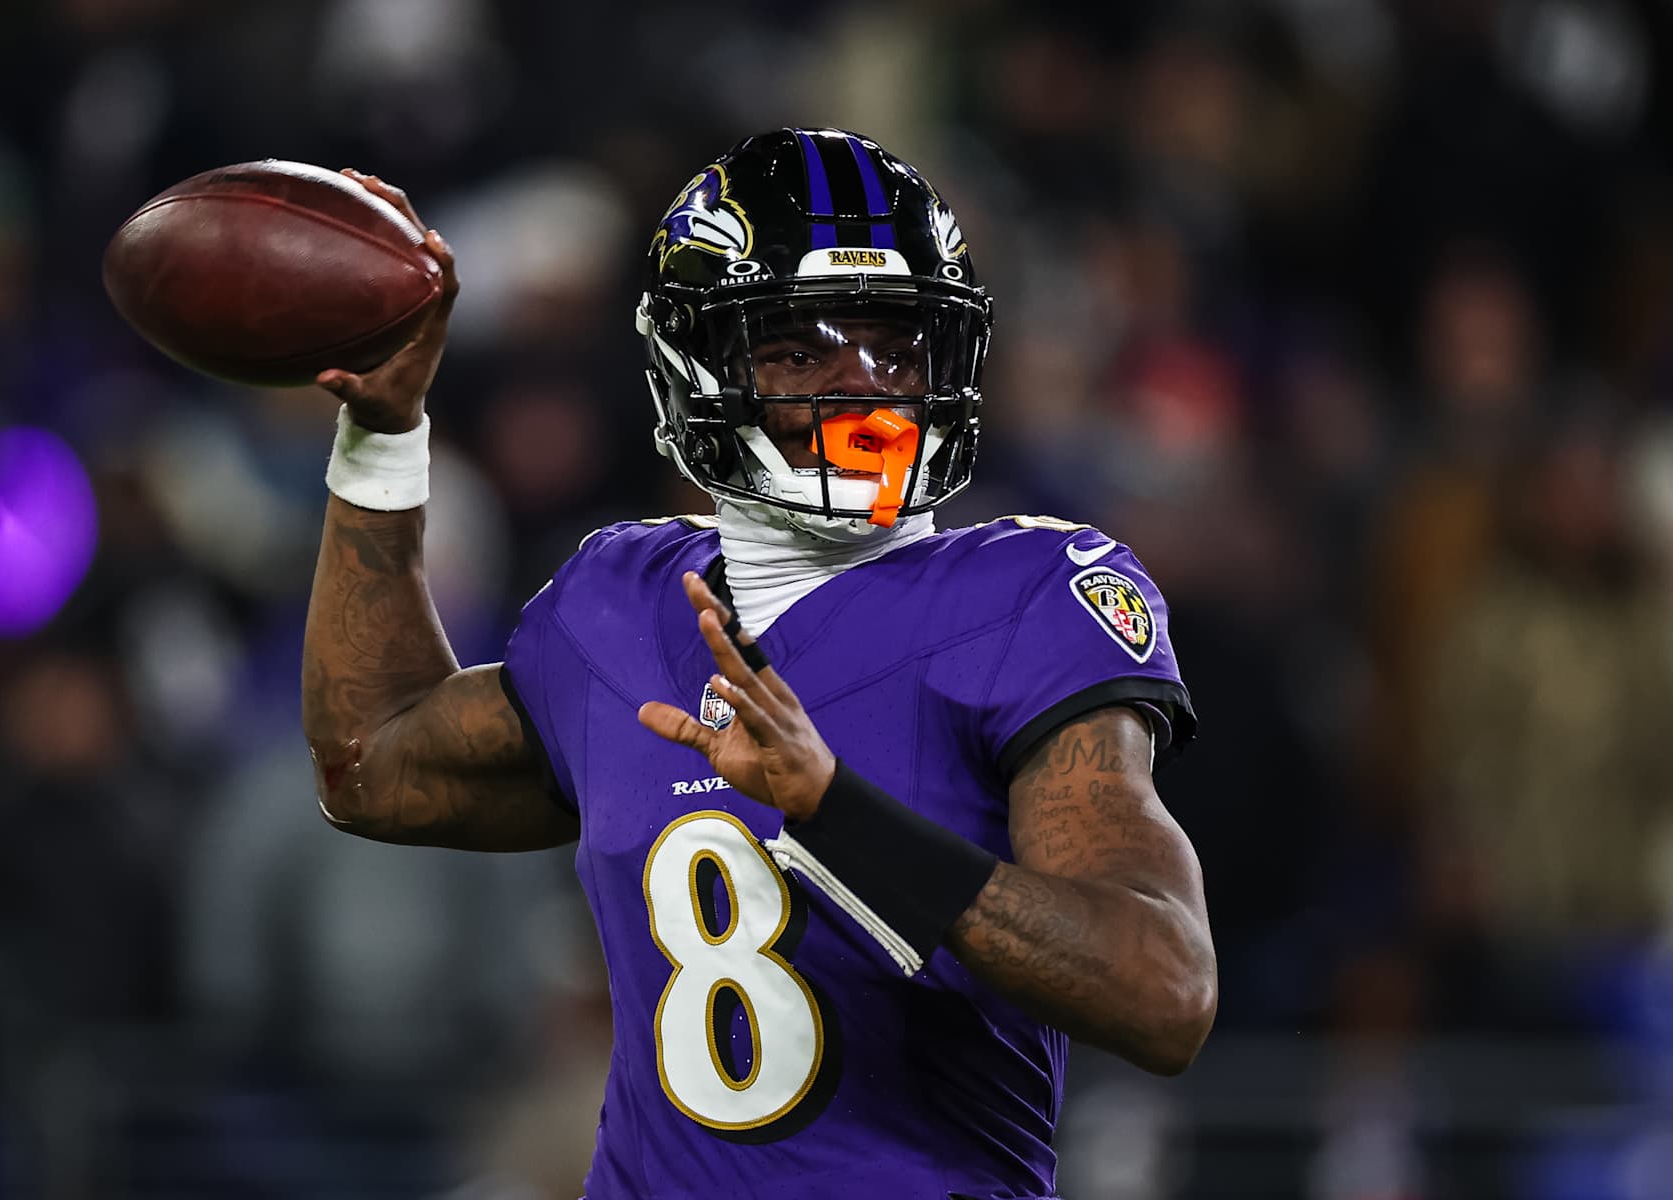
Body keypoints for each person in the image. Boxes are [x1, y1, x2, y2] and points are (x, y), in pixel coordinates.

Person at [302, 128, 1216, 1199]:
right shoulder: (617, 602)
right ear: (699, 365)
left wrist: (835, 813)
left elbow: (1162, 991)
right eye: (800, 350)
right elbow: (371, 761)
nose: (860, 387)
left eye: (894, 346)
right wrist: (383, 434)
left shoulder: (1025, 595)